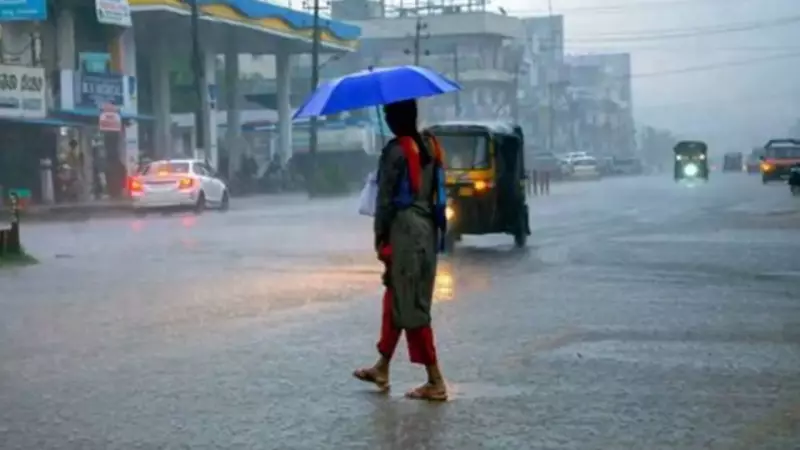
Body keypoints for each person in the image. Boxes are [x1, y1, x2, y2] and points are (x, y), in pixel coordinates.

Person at [353, 99, 449, 401]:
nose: (386, 118)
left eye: (387, 114)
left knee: (412, 305)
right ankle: (382, 366)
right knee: (396, 297)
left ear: (396, 118)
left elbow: (384, 201)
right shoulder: (432, 145)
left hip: (405, 231)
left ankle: (435, 380)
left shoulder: (395, 151)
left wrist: (380, 238)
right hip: (427, 230)